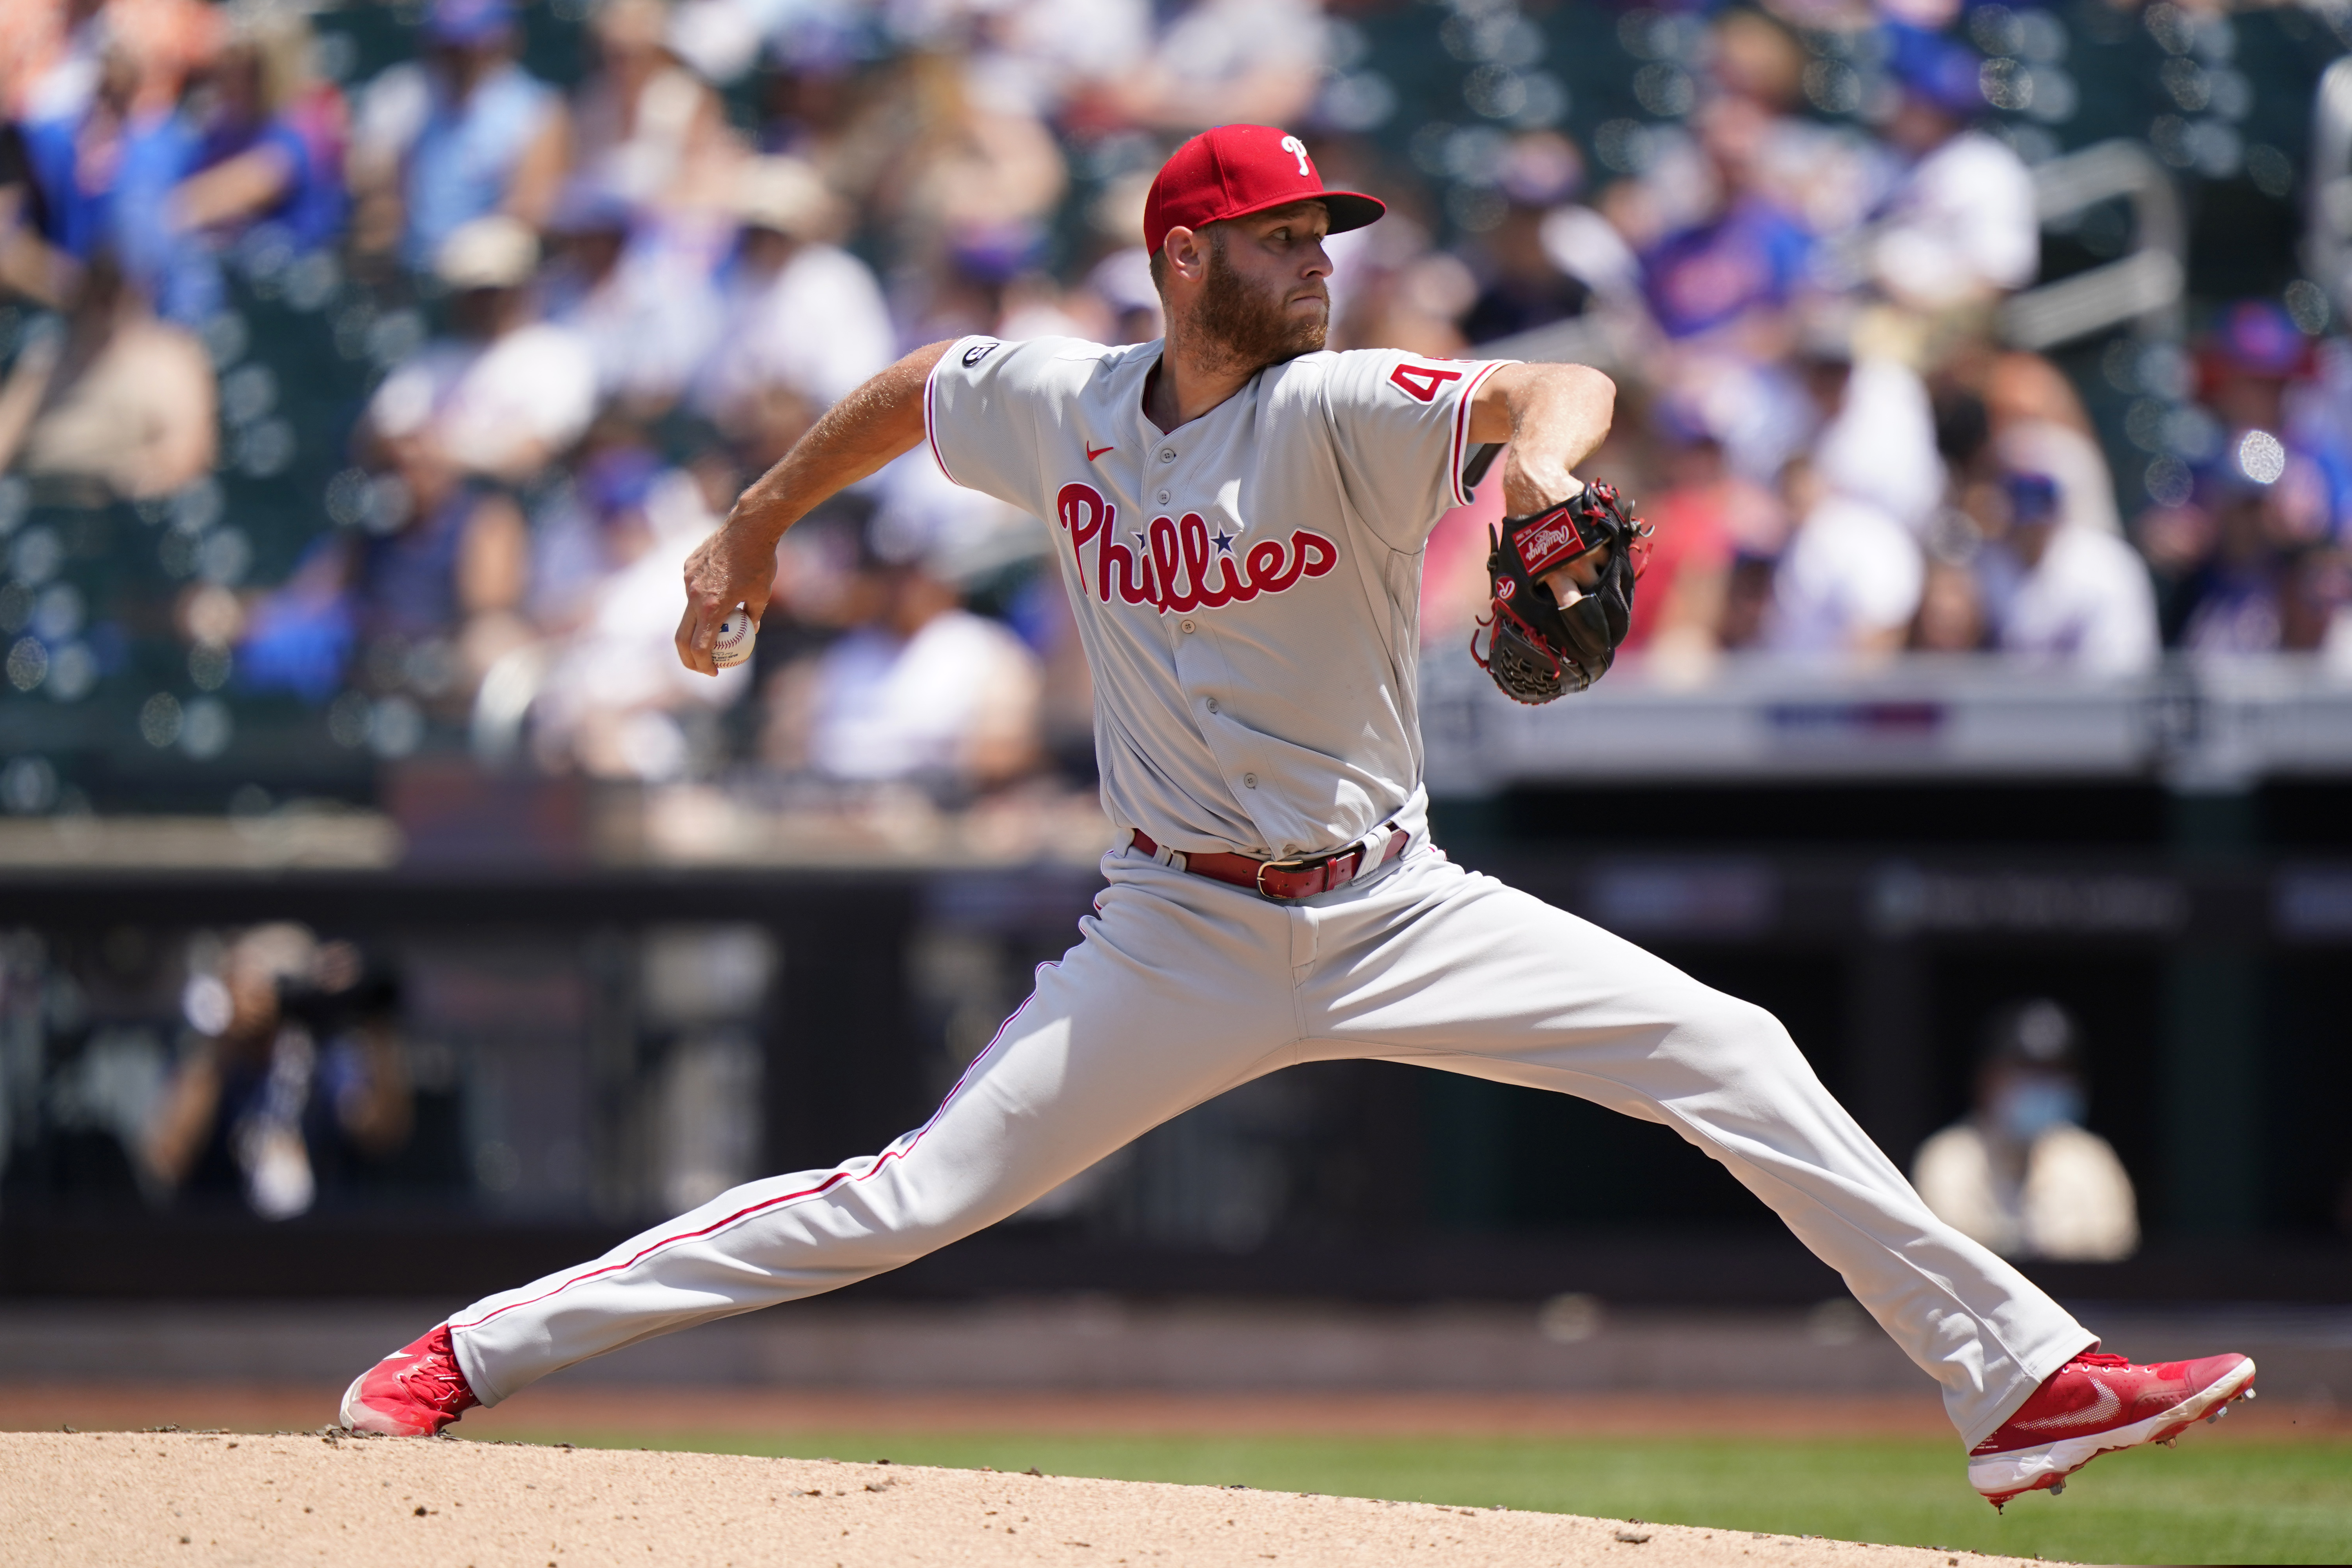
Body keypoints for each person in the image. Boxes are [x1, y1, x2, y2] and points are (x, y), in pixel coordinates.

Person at [338, 123, 2253, 1510]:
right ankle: (463, 1352)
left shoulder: (1338, 404)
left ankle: (2020, 1382)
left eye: (1324, 228)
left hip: (1399, 900)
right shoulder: (1073, 402)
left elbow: (1548, 381)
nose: (1319, 256)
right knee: (905, 1194)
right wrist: (753, 522)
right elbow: (921, 388)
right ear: (1187, 260)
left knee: (1729, 1042)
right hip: (1173, 932)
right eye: (1278, 236)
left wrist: (1539, 485)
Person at [1913, 1000, 2138, 1264]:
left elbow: (2116, 1261)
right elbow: (1948, 1264)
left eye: (2055, 1072)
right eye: (2026, 1070)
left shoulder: (2092, 1161)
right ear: (1989, 1078)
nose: (2041, 1084)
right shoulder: (1948, 1160)